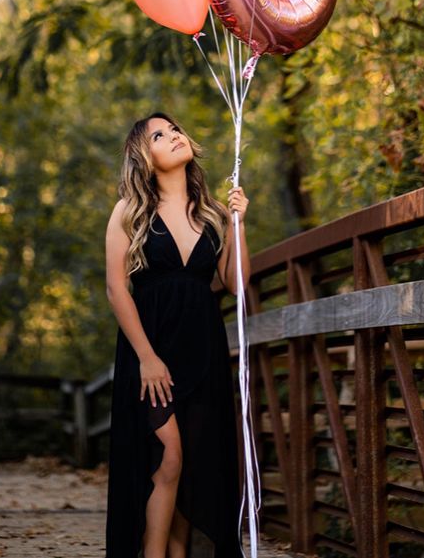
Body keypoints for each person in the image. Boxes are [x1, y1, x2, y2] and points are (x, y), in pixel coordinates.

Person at [105, 112, 250, 558]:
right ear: (143, 156)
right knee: (167, 456)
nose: (173, 137)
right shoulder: (131, 211)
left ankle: (180, 552)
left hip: (202, 349)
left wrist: (240, 225)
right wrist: (147, 358)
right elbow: (116, 287)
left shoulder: (214, 213)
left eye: (175, 130)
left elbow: (235, 283)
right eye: (159, 135)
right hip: (151, 352)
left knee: (193, 462)